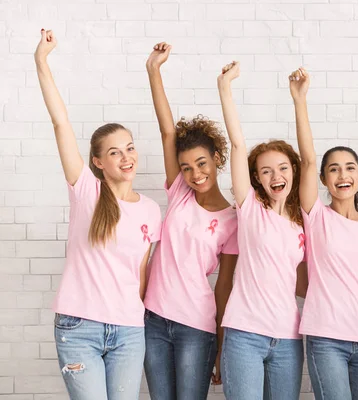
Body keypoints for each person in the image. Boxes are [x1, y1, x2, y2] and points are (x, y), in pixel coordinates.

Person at [35, 29, 161, 400]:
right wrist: (42, 61)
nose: (127, 158)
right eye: (115, 152)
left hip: (128, 330)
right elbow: (61, 124)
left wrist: (133, 314)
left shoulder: (152, 210)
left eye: (130, 148)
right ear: (98, 162)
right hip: (79, 327)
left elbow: (141, 272)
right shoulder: (86, 192)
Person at [142, 42, 239, 400]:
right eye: (186, 167)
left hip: (196, 327)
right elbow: (168, 133)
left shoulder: (234, 220)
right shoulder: (180, 194)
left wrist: (219, 344)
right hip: (153, 320)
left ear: (216, 159)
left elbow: (224, 286)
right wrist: (154, 70)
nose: (195, 173)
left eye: (201, 163)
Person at [288, 67, 358, 400]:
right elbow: (307, 159)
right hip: (326, 336)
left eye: (349, 168)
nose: (342, 175)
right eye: (334, 169)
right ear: (325, 180)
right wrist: (300, 100)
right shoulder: (316, 217)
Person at [217, 61, 307, 400]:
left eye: (282, 168)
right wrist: (225, 89)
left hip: (288, 337)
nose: (275, 176)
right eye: (266, 171)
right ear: (257, 179)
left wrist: (299, 100)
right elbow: (238, 147)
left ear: (293, 172)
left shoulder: (302, 222)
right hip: (244, 334)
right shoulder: (250, 208)